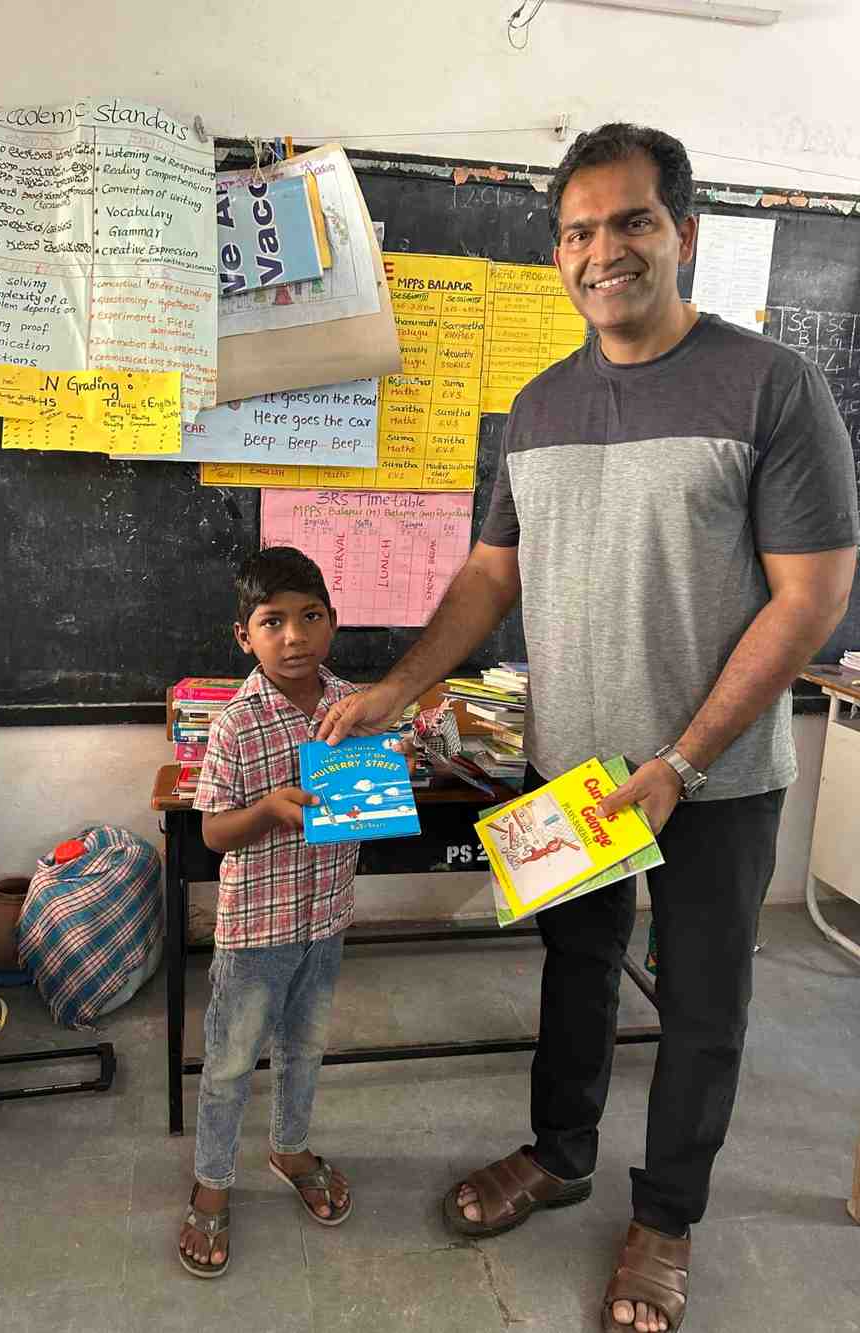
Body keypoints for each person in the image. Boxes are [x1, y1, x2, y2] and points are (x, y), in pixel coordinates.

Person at [318, 123, 859, 1331]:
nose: (600, 251)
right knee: (574, 973)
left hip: (712, 779)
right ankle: (560, 1154)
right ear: (556, 252)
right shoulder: (539, 405)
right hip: (569, 765)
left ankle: (665, 1217)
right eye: (575, 231)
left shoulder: (772, 387)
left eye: (630, 222)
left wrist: (680, 761)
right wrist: (399, 687)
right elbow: (490, 574)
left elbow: (810, 597)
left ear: (683, 234)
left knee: (702, 1007)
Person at [178, 546, 359, 1278]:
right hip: (257, 928)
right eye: (272, 622)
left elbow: (367, 792)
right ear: (244, 636)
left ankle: (289, 1148)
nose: (294, 637)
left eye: (310, 617)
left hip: (327, 918)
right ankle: (212, 1181)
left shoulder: (352, 707)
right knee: (229, 1063)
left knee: (305, 1049)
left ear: (333, 622)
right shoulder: (235, 724)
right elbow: (213, 832)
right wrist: (268, 811)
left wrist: (387, 780)